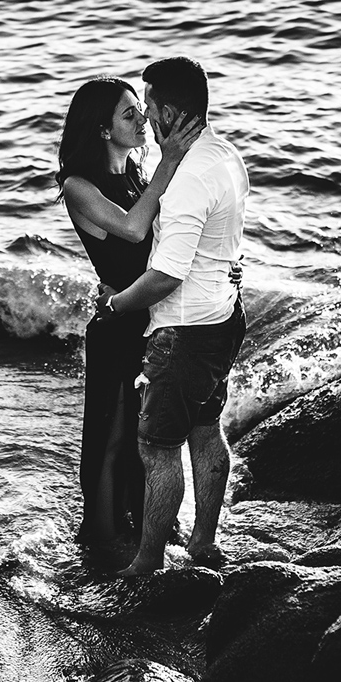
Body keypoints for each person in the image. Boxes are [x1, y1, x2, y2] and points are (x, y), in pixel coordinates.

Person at [92, 56, 249, 576]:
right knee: (208, 432)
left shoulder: (185, 180)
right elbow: (227, 240)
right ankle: (204, 544)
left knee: (157, 448)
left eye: (149, 105)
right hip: (226, 316)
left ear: (166, 112)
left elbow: (166, 276)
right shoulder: (226, 156)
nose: (145, 117)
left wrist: (114, 304)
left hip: (183, 331)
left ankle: (147, 563)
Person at [56, 76, 200, 545]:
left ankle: (147, 527)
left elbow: (169, 236)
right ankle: (100, 537)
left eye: (141, 109)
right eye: (129, 113)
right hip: (116, 325)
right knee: (112, 437)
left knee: (150, 437)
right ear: (101, 129)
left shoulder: (139, 175)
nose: (142, 119)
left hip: (148, 319)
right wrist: (170, 159)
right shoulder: (79, 186)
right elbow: (134, 230)